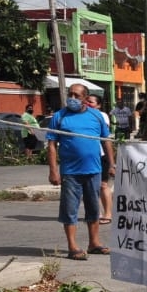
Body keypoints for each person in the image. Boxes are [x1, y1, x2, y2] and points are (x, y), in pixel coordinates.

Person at [46, 83, 115, 261]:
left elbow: (106, 141)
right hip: (70, 172)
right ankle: (72, 246)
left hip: (94, 170)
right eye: (70, 94)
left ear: (85, 98)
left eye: (77, 95)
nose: (72, 98)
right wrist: (54, 170)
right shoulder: (60, 117)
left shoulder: (96, 116)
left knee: (93, 208)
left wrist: (112, 164)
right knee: (70, 209)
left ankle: (94, 244)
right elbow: (52, 145)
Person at [86, 94, 114, 225]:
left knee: (103, 185)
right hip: (87, 157)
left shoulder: (102, 116)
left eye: (91, 102)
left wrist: (111, 163)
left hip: (101, 155)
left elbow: (104, 137)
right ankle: (94, 213)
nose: (87, 103)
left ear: (98, 105)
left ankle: (108, 213)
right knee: (90, 186)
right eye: (86, 101)